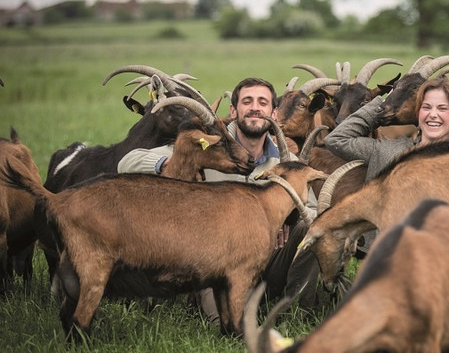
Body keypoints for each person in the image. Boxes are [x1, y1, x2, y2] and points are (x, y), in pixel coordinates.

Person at [117, 77, 319, 320]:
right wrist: (167, 163)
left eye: (263, 102)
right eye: (247, 101)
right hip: (218, 261)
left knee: (312, 229)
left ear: (274, 112)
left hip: (271, 255)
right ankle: (223, 309)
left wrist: (286, 218)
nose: (255, 107)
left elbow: (314, 212)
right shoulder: (209, 147)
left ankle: (296, 312)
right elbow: (126, 162)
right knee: (231, 327)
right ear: (234, 111)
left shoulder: (287, 162)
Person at [324, 75, 449, 255]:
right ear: (417, 112)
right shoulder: (388, 151)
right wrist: (386, 102)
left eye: (442, 108)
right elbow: (337, 139)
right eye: (426, 107)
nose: (433, 115)